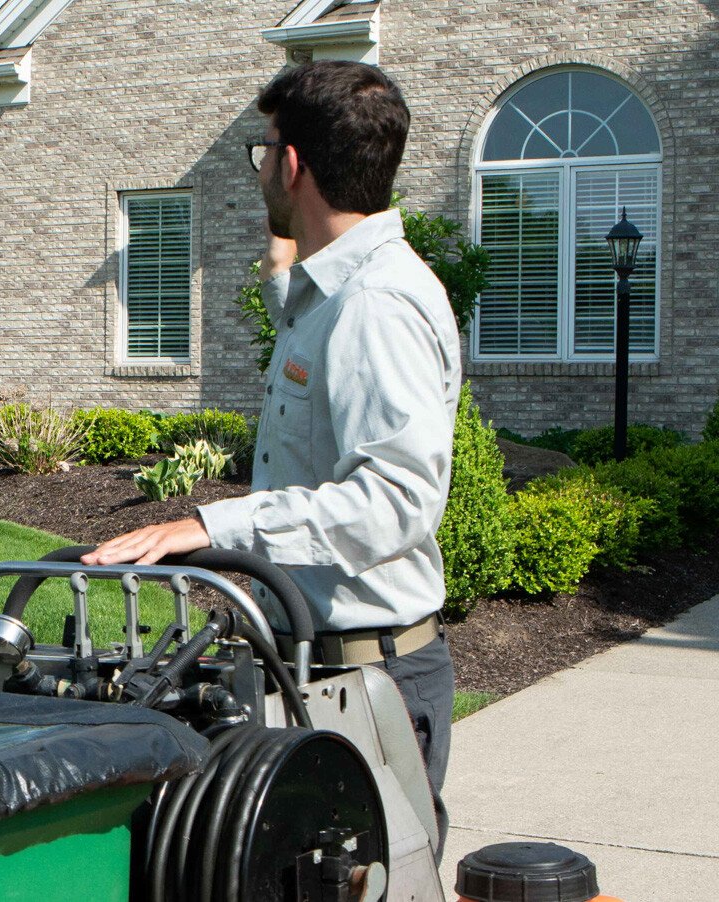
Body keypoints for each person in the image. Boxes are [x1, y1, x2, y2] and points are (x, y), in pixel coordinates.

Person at [83, 61, 461, 847]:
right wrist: (282, 256)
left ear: (293, 165)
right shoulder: (333, 293)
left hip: (368, 680)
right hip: (315, 666)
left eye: (266, 152)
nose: (262, 169)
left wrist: (214, 527)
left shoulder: (376, 305)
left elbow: (396, 501)